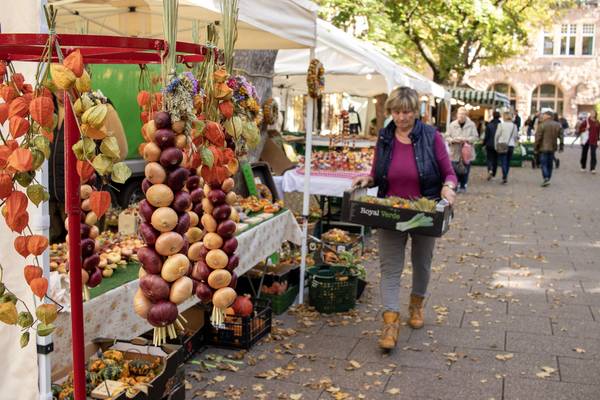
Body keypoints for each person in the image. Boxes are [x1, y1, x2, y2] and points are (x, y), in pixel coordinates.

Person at [352, 87, 457, 351]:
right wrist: (368, 178)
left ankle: (416, 305)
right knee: (390, 268)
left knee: (422, 263)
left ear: (416, 112)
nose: (401, 117)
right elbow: (378, 172)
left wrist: (448, 187)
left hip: (424, 211)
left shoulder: (431, 136)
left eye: (406, 112)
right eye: (396, 112)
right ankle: (390, 322)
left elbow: (449, 173)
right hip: (391, 211)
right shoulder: (385, 137)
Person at [49, 94, 128, 243]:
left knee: (85, 250)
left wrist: (94, 162)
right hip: (52, 202)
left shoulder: (99, 105)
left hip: (86, 200)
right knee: (55, 256)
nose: (60, 86)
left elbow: (120, 151)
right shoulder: (48, 105)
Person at [445, 106, 478, 193]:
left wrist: (467, 139)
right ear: (457, 115)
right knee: (454, 169)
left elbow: (475, 137)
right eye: (460, 114)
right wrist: (453, 140)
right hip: (455, 151)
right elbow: (447, 136)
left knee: (465, 169)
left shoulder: (471, 125)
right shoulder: (452, 125)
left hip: (466, 152)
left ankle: (463, 185)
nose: (461, 116)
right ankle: (455, 184)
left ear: (466, 115)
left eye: (463, 114)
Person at [535, 110, 563, 187]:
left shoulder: (542, 125)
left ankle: (546, 178)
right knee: (550, 163)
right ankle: (548, 177)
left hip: (543, 147)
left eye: (544, 115)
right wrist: (561, 146)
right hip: (552, 147)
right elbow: (561, 137)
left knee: (543, 163)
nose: (542, 116)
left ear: (548, 116)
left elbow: (538, 137)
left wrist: (536, 147)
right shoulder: (558, 125)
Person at [494, 110, 519, 184]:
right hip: (511, 145)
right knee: (508, 161)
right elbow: (515, 136)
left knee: (503, 161)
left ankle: (504, 175)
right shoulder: (514, 126)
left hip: (502, 144)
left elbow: (497, 136)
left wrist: (495, 145)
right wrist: (515, 143)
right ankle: (505, 175)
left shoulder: (501, 125)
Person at [483, 111, 501, 180]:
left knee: (489, 158)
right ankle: (493, 174)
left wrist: (484, 143)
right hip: (498, 144)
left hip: (489, 144)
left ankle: (490, 169)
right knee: (496, 160)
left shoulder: (489, 125)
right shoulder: (501, 125)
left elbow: (486, 136)